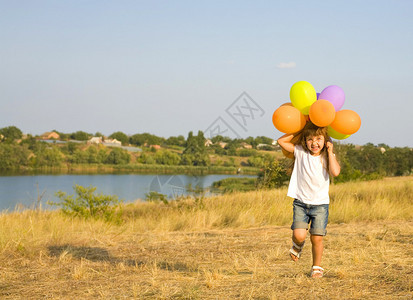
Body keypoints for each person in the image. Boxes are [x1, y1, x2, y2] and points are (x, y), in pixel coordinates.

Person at [277, 122, 340, 278]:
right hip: (301, 203)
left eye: (318, 139)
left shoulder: (327, 156)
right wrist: (299, 128)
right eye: (310, 139)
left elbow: (335, 172)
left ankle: (316, 267)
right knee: (299, 235)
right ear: (304, 141)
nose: (314, 143)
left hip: (320, 205)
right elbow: (281, 141)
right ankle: (297, 246)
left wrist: (330, 151)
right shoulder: (300, 152)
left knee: (317, 238)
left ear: (325, 140)